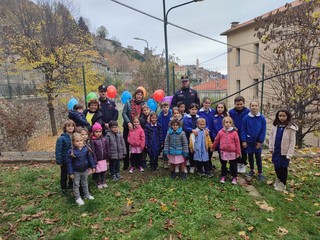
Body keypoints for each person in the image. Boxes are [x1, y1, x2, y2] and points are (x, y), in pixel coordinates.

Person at [269, 109, 298, 191]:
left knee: (283, 168)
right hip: (276, 151)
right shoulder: (275, 126)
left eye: (283, 116)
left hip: (284, 152)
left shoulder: (290, 128)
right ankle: (278, 179)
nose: (281, 117)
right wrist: (271, 147)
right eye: (280, 116)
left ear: (287, 117)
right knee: (276, 167)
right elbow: (271, 137)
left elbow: (292, 142)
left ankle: (283, 183)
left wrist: (289, 154)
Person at [67, 132, 96, 206]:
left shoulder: (86, 149)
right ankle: (77, 198)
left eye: (81, 140)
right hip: (76, 171)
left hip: (85, 170)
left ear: (83, 140)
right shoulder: (71, 151)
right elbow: (69, 163)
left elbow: (90, 158)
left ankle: (87, 194)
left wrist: (93, 166)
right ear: (73, 142)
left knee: (85, 183)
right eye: (77, 141)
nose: (79, 142)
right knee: (76, 185)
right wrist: (71, 173)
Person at [241, 101, 267, 181]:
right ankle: (252, 170)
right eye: (252, 105)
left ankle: (260, 173)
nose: (254, 107)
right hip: (249, 141)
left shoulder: (262, 118)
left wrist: (260, 141)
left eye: (256, 105)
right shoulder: (246, 118)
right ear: (250, 107)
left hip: (257, 142)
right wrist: (244, 140)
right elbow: (243, 130)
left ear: (258, 107)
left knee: (258, 157)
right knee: (250, 156)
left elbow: (263, 130)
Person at [212, 116, 241, 184]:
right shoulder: (220, 132)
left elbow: (237, 143)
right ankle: (223, 176)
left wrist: (238, 152)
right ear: (223, 123)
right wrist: (213, 147)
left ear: (232, 124)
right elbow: (216, 140)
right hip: (223, 151)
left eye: (229, 122)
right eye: (226, 122)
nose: (228, 124)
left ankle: (234, 177)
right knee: (223, 165)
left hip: (232, 151)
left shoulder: (234, 133)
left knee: (233, 165)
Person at [122, 88, 146, 170]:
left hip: (138, 128)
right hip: (128, 127)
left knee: (137, 145)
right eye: (138, 94)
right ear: (135, 95)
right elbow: (124, 113)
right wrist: (128, 122)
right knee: (126, 144)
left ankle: (137, 163)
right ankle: (126, 163)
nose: (139, 96)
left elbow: (145, 114)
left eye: (141, 94)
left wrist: (138, 123)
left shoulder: (144, 104)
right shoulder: (128, 103)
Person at [229, 96, 250, 174]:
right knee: (235, 150)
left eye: (241, 104)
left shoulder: (248, 111)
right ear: (235, 104)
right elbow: (229, 122)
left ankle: (243, 163)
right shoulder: (231, 112)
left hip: (244, 134)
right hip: (234, 134)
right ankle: (237, 163)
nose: (239, 106)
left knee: (244, 150)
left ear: (244, 103)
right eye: (237, 104)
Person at [55, 120, 76, 195]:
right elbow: (58, 150)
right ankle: (63, 188)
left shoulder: (75, 136)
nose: (70, 127)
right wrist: (59, 161)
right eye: (68, 126)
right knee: (64, 175)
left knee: (72, 173)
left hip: (73, 160)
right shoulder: (62, 138)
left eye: (72, 126)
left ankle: (71, 186)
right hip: (64, 160)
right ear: (65, 128)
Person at [91, 122, 109, 189]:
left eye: (100, 131)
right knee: (98, 171)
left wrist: (107, 156)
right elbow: (93, 151)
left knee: (104, 170)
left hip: (103, 158)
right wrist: (94, 159)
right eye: (96, 132)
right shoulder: (93, 140)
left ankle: (103, 181)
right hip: (98, 159)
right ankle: (99, 182)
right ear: (93, 132)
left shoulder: (104, 139)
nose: (98, 133)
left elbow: (107, 148)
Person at [183, 103, 200, 173]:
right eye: (192, 109)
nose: (194, 111)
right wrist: (191, 130)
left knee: (197, 150)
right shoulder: (186, 118)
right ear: (189, 110)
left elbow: (203, 125)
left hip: (197, 136)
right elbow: (185, 127)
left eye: (195, 109)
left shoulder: (199, 117)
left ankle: (197, 166)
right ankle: (191, 165)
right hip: (189, 136)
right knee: (191, 151)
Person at [157, 101, 172, 168]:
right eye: (164, 107)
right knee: (165, 149)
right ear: (162, 108)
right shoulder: (160, 116)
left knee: (170, 148)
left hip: (170, 134)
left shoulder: (171, 114)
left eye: (167, 107)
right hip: (163, 134)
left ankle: (171, 161)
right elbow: (159, 126)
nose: (165, 108)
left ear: (169, 107)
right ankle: (165, 162)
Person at [139, 104, 151, 169]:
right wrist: (147, 121)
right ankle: (143, 163)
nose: (146, 111)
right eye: (144, 110)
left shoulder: (151, 116)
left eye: (147, 110)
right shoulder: (141, 119)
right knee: (143, 150)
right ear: (142, 111)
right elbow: (145, 126)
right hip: (143, 136)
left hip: (150, 136)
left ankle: (151, 161)